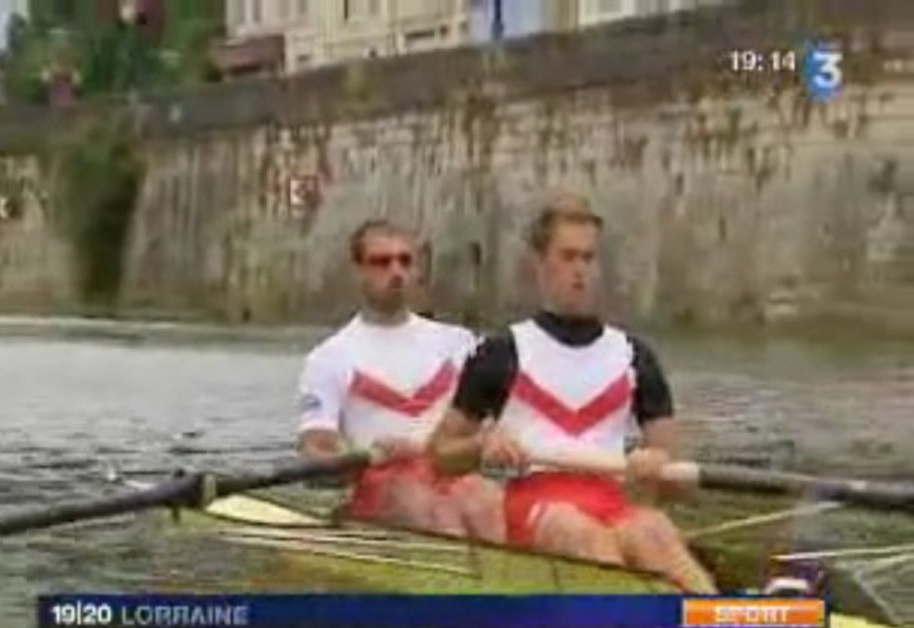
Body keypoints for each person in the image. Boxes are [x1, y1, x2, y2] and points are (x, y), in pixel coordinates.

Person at [426, 196, 716, 593]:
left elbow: (680, 482)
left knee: (655, 529)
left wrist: (657, 467)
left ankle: (725, 618)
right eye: (567, 257)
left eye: (588, 258)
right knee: (577, 531)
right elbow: (438, 456)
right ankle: (637, 616)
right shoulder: (500, 352)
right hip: (535, 504)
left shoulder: (636, 356)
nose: (579, 270)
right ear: (540, 265)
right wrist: (481, 445)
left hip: (611, 499)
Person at [296, 219, 505, 542]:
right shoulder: (329, 358)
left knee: (490, 503)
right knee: (428, 508)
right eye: (381, 262)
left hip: (451, 472)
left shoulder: (460, 344)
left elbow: (503, 421)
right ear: (358, 271)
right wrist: (353, 457)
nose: (396, 271)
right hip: (382, 484)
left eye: (405, 261)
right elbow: (317, 447)